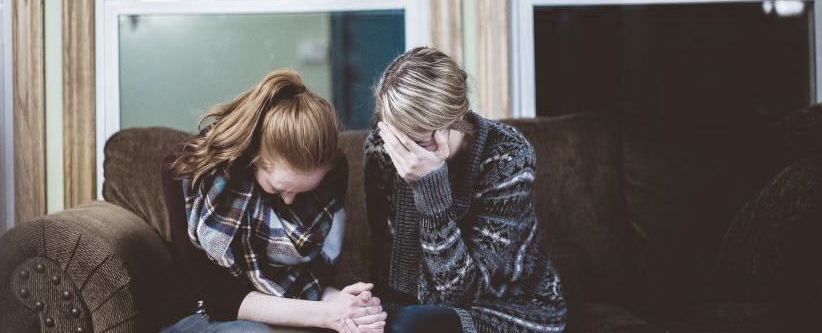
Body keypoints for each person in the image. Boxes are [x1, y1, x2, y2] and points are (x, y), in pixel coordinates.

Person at [161, 70, 386, 332]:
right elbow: (220, 300)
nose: (290, 202)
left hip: (285, 309)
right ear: (253, 156)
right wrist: (326, 315)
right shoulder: (186, 171)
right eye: (278, 189)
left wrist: (345, 305)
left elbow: (313, 280)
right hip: (199, 312)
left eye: (302, 192)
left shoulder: (333, 173)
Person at [364, 47, 568, 333]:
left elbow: (458, 295)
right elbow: (385, 263)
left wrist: (430, 187)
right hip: (414, 309)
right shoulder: (382, 148)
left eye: (419, 142)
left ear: (455, 121)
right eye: (398, 139)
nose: (405, 154)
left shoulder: (509, 156)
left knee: (408, 325)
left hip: (510, 308)